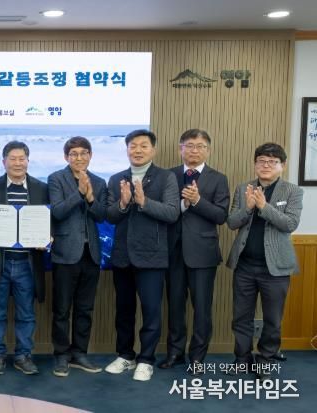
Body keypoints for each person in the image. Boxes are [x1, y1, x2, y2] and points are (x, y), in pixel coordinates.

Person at [105, 129, 179, 382]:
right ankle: (125, 355)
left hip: (152, 256)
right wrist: (123, 203)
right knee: (124, 311)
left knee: (151, 311)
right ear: (127, 149)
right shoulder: (116, 179)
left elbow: (172, 213)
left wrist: (144, 202)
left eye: (143, 146)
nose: (137, 150)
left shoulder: (166, 177)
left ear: (153, 150)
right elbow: (110, 216)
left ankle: (146, 359)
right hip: (122, 256)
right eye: (133, 146)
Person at [226, 142, 303, 380]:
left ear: (282, 166)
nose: (266, 165)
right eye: (261, 161)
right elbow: (232, 222)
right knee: (241, 317)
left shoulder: (292, 191)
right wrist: (249, 208)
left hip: (276, 268)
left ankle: (265, 360)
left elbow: (290, 224)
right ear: (255, 164)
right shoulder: (243, 188)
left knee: (272, 319)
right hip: (245, 265)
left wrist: (263, 206)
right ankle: (242, 359)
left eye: (272, 161)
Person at [160, 129, 229, 374]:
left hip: (203, 252)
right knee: (175, 307)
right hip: (172, 251)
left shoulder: (218, 178)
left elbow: (221, 216)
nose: (194, 150)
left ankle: (198, 357)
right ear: (181, 148)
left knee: (202, 309)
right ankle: (175, 353)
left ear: (208, 150)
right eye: (189, 145)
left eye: (200, 146)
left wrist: (198, 201)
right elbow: (163, 210)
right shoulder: (168, 175)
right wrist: (183, 204)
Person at [0, 141, 48, 376]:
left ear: (28, 161)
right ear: (4, 162)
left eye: (22, 158)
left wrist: (48, 236)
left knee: (26, 314)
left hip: (27, 264)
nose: (18, 163)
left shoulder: (41, 188)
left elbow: (49, 219)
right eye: (13, 158)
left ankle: (23, 355)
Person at [47, 136, 108, 377]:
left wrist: (91, 197)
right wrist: (79, 193)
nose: (79, 158)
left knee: (85, 309)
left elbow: (102, 215)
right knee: (62, 309)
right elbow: (57, 212)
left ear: (90, 156)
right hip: (65, 253)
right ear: (66, 157)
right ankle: (61, 355)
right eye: (74, 154)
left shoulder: (99, 182)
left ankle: (80, 353)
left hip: (91, 254)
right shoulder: (56, 179)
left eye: (83, 153)